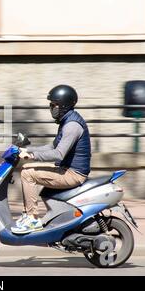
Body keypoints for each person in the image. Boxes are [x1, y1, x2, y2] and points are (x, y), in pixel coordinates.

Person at [11, 85, 91, 234]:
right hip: (67, 169)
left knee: (28, 174)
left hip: (73, 174)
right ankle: (27, 214)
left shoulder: (72, 126)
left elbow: (58, 154)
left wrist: (32, 156)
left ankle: (32, 219)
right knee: (27, 169)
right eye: (51, 104)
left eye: (54, 105)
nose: (51, 108)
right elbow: (52, 146)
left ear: (64, 105)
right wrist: (28, 150)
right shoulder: (66, 121)